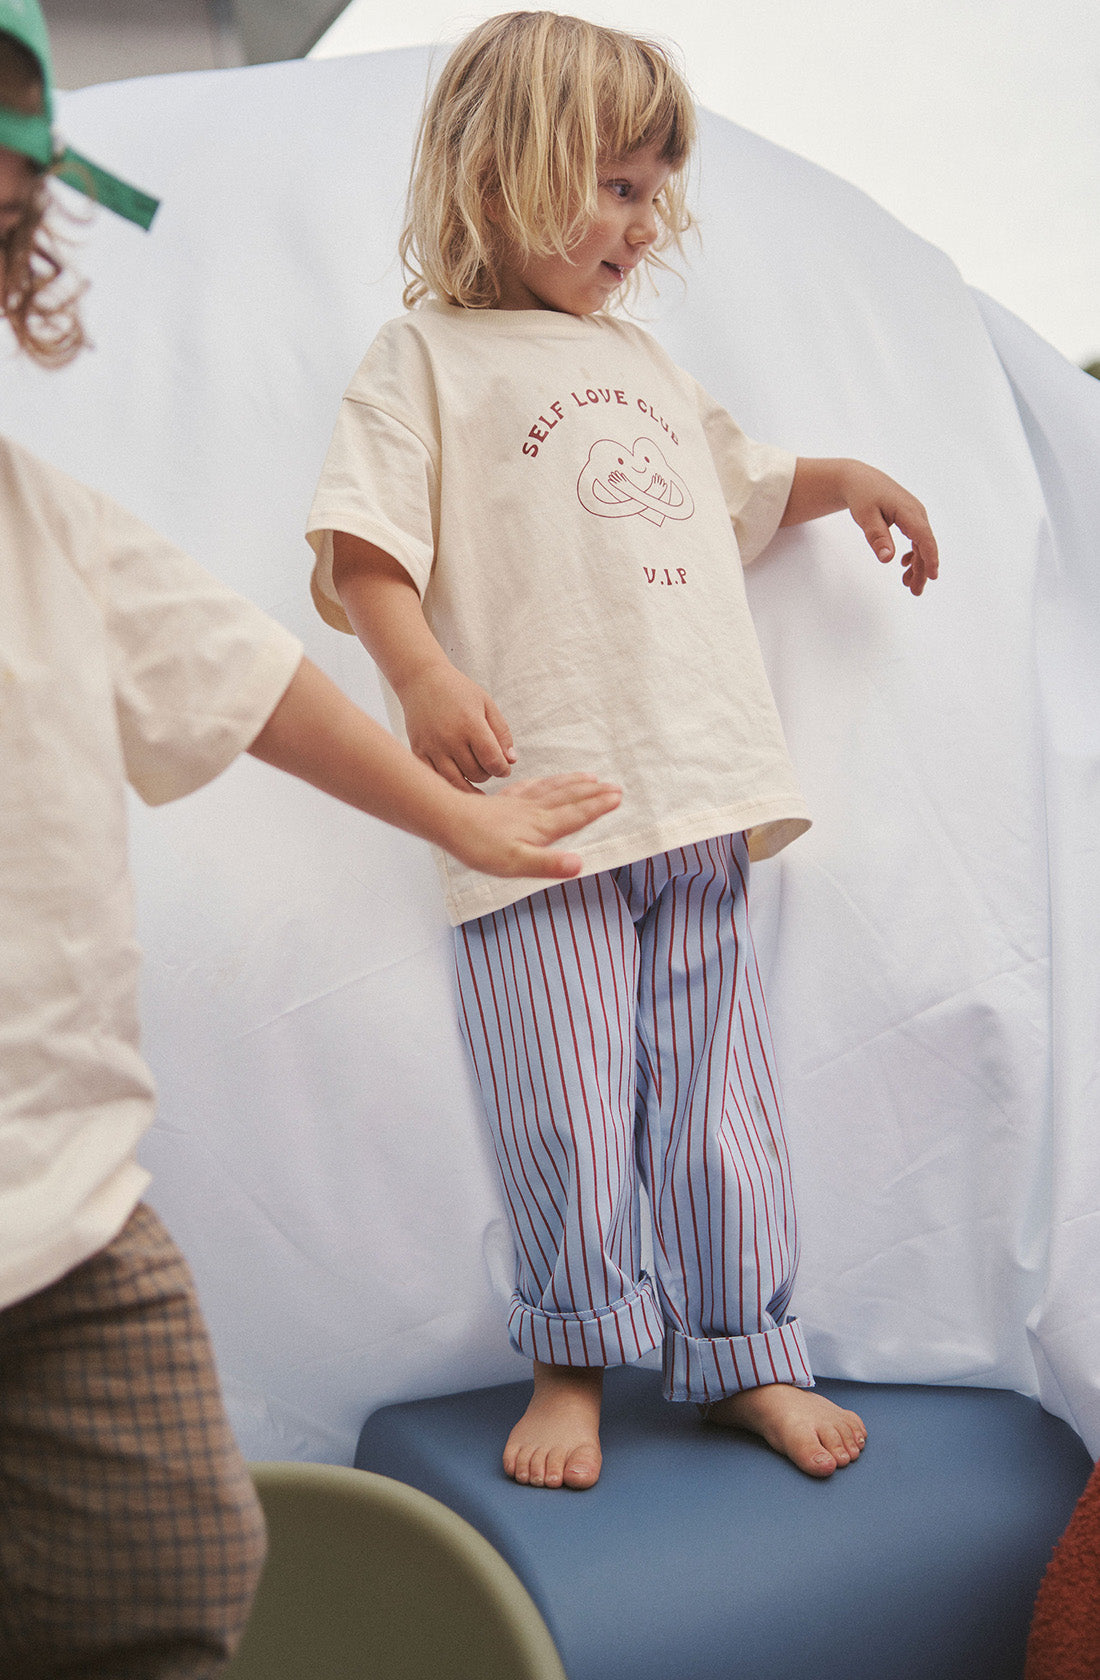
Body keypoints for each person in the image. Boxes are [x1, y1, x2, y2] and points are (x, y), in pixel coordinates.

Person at [0, 8, 621, 1677]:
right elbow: (353, 564)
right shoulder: (414, 373)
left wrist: (462, 809)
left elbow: (258, 682)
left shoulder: (40, 526)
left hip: (58, 1228)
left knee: (180, 1577)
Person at [307, 9, 939, 1493]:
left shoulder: (648, 363)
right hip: (537, 810)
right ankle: (573, 1359)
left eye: (654, 190)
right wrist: (419, 676)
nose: (641, 223)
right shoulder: (426, 358)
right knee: (570, 1107)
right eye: (614, 185)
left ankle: (745, 1351)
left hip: (703, 791)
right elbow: (361, 546)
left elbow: (747, 490)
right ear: (494, 178)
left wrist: (852, 482)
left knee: (723, 1095)